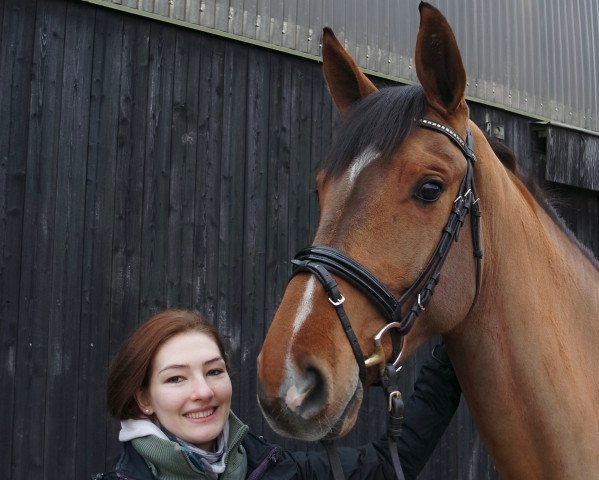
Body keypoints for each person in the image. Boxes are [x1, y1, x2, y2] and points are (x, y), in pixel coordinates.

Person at [93, 308, 461, 479]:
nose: (203, 391)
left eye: (214, 371)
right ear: (143, 399)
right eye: (176, 379)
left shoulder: (274, 470)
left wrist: (452, 358)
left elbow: (386, 466)